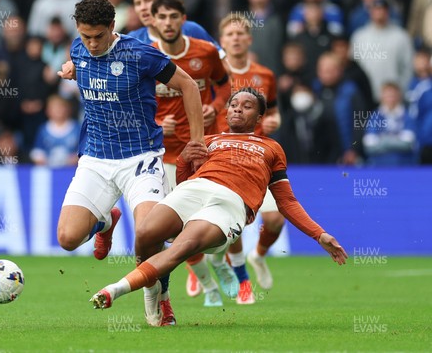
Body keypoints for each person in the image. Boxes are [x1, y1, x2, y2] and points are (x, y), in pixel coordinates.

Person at [89, 88, 348, 315]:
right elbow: (184, 182)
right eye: (234, 105)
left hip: (231, 203)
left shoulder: (271, 148)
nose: (238, 109)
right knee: (146, 232)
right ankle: (159, 297)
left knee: (180, 248)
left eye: (247, 107)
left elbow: (286, 201)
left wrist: (319, 234)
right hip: (195, 189)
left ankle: (116, 289)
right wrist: (183, 161)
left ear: (259, 118)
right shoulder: (210, 141)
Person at [56, 0, 204, 327]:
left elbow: (188, 85)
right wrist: (72, 68)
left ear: (112, 26)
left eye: (98, 36)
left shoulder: (140, 54)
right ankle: (106, 222)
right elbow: (82, 64)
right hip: (95, 159)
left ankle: (159, 298)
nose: (91, 44)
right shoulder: (77, 50)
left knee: (149, 235)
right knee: (67, 239)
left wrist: (197, 141)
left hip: (141, 158)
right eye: (85, 36)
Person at [187, 12, 283, 305]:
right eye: (230, 34)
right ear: (222, 41)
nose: (236, 38)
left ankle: (259, 255)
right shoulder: (210, 72)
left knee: (275, 220)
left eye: (241, 34)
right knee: (230, 220)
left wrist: (273, 122)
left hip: (255, 157)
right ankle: (234, 277)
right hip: (220, 160)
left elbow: (274, 110)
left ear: (249, 39)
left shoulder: (265, 75)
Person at [150, 0, 237, 308]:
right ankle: (208, 286)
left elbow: (226, 84)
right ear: (153, 21)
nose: (168, 22)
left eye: (174, 16)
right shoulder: (147, 56)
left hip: (206, 148)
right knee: (177, 230)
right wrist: (159, 123)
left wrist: (215, 105)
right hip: (169, 155)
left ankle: (219, 262)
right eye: (162, 17)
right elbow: (135, 104)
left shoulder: (204, 51)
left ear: (183, 20)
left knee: (216, 216)